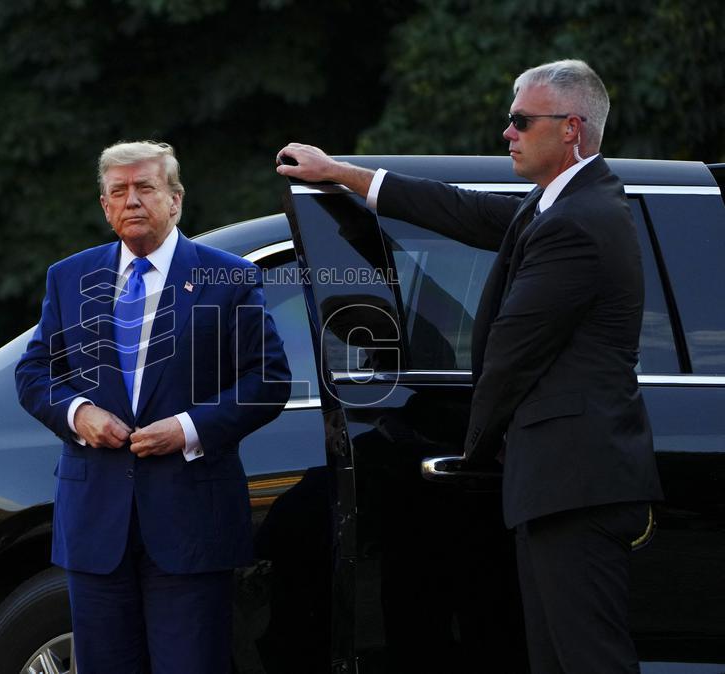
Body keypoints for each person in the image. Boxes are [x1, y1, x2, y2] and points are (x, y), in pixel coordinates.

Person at [277, 59, 662, 673]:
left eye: (519, 120)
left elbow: (511, 352)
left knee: (586, 660)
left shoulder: (579, 223)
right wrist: (342, 175)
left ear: (570, 129)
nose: (506, 132)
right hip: (561, 483)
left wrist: (470, 455)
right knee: (556, 659)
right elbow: (462, 211)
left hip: (574, 486)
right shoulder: (560, 207)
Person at [15, 140, 291, 673]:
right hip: (96, 524)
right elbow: (34, 374)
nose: (132, 201)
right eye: (118, 191)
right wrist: (79, 415)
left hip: (191, 523)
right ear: (104, 206)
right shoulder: (69, 276)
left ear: (175, 200)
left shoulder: (227, 276)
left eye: (145, 187)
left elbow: (268, 380)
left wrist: (188, 429)